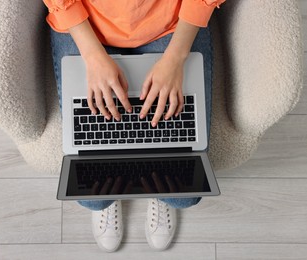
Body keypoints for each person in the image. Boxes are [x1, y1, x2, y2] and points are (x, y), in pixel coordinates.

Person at [43, 0, 225, 252]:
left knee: (182, 195)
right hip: (85, 23)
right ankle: (113, 192)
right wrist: (93, 55)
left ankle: (155, 183)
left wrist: (175, 57)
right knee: (93, 198)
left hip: (170, 25)